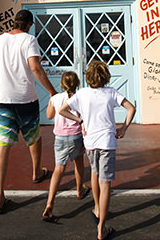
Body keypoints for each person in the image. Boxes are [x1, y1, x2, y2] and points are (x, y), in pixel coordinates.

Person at [0, 9, 57, 213]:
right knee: (34, 137)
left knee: (3, 145)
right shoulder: (29, 40)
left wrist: (0, 86)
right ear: (28, 24)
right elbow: (35, 67)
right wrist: (52, 91)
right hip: (26, 99)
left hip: (5, 101)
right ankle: (37, 172)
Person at [59, 60, 136, 240]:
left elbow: (62, 110)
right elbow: (131, 108)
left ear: (88, 77)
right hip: (107, 143)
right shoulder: (111, 93)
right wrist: (123, 128)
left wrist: (80, 121)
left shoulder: (83, 94)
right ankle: (102, 227)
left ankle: (96, 208)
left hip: (90, 143)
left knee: (94, 173)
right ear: (105, 76)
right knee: (105, 183)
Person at [42, 71, 90, 222]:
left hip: (60, 138)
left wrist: (52, 102)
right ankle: (80, 189)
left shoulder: (56, 98)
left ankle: (50, 203)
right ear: (77, 84)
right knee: (78, 163)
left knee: (58, 170)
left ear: (62, 84)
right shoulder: (79, 98)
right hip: (76, 136)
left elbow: (49, 115)